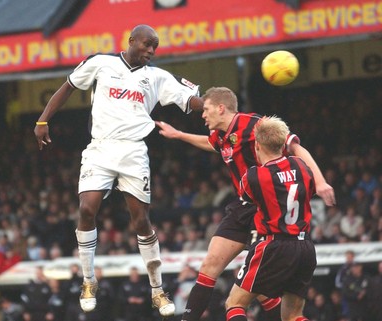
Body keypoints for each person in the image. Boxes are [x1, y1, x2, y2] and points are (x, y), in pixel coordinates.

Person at [34, 24, 203, 317]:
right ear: (131, 41)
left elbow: (191, 100)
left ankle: (157, 289)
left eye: (155, 47)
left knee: (140, 221)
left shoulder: (157, 77)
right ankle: (89, 281)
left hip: (133, 151)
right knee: (87, 209)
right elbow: (68, 87)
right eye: (147, 45)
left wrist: (219, 108)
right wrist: (42, 120)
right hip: (100, 148)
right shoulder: (101, 63)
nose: (151, 51)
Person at [156, 87, 335, 321]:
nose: (203, 114)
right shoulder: (220, 134)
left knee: (248, 294)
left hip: (265, 207)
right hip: (243, 206)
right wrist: (180, 135)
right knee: (210, 266)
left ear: (221, 108)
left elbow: (294, 146)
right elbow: (213, 145)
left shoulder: (254, 124)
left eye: (206, 109)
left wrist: (320, 182)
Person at [224, 115, 317, 321]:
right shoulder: (301, 166)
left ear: (257, 145)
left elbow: (246, 198)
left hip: (274, 246)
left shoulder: (254, 176)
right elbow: (309, 191)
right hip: (305, 247)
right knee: (293, 315)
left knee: (235, 303)